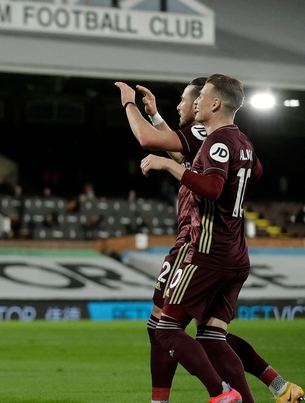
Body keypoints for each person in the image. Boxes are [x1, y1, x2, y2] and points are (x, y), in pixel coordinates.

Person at [117, 78, 304, 403]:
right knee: (212, 336)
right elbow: (242, 169)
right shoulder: (232, 140)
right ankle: (277, 386)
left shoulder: (212, 138)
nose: (184, 105)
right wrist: (169, 136)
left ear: (209, 104)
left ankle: (213, 394)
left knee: (163, 327)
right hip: (230, 248)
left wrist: (128, 103)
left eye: (193, 98)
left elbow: (166, 150)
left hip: (201, 245)